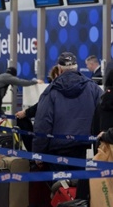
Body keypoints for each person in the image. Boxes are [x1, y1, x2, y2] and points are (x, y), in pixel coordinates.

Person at [33, 52, 103, 199]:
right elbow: (102, 115)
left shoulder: (50, 91)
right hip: (81, 149)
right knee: (78, 189)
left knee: (59, 190)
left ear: (59, 69)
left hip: (56, 152)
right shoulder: (92, 88)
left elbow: (42, 124)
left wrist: (38, 153)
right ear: (77, 68)